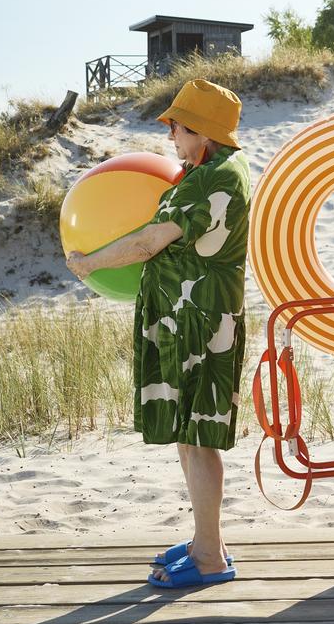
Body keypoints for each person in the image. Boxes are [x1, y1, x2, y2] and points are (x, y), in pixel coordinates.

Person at [66, 78, 250, 589]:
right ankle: (203, 541)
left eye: (176, 126)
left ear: (202, 133)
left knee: (198, 437)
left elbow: (149, 241)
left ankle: (210, 557)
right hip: (188, 318)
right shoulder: (214, 170)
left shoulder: (207, 180)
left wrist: (89, 263)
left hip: (198, 321)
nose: (170, 135)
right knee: (188, 438)